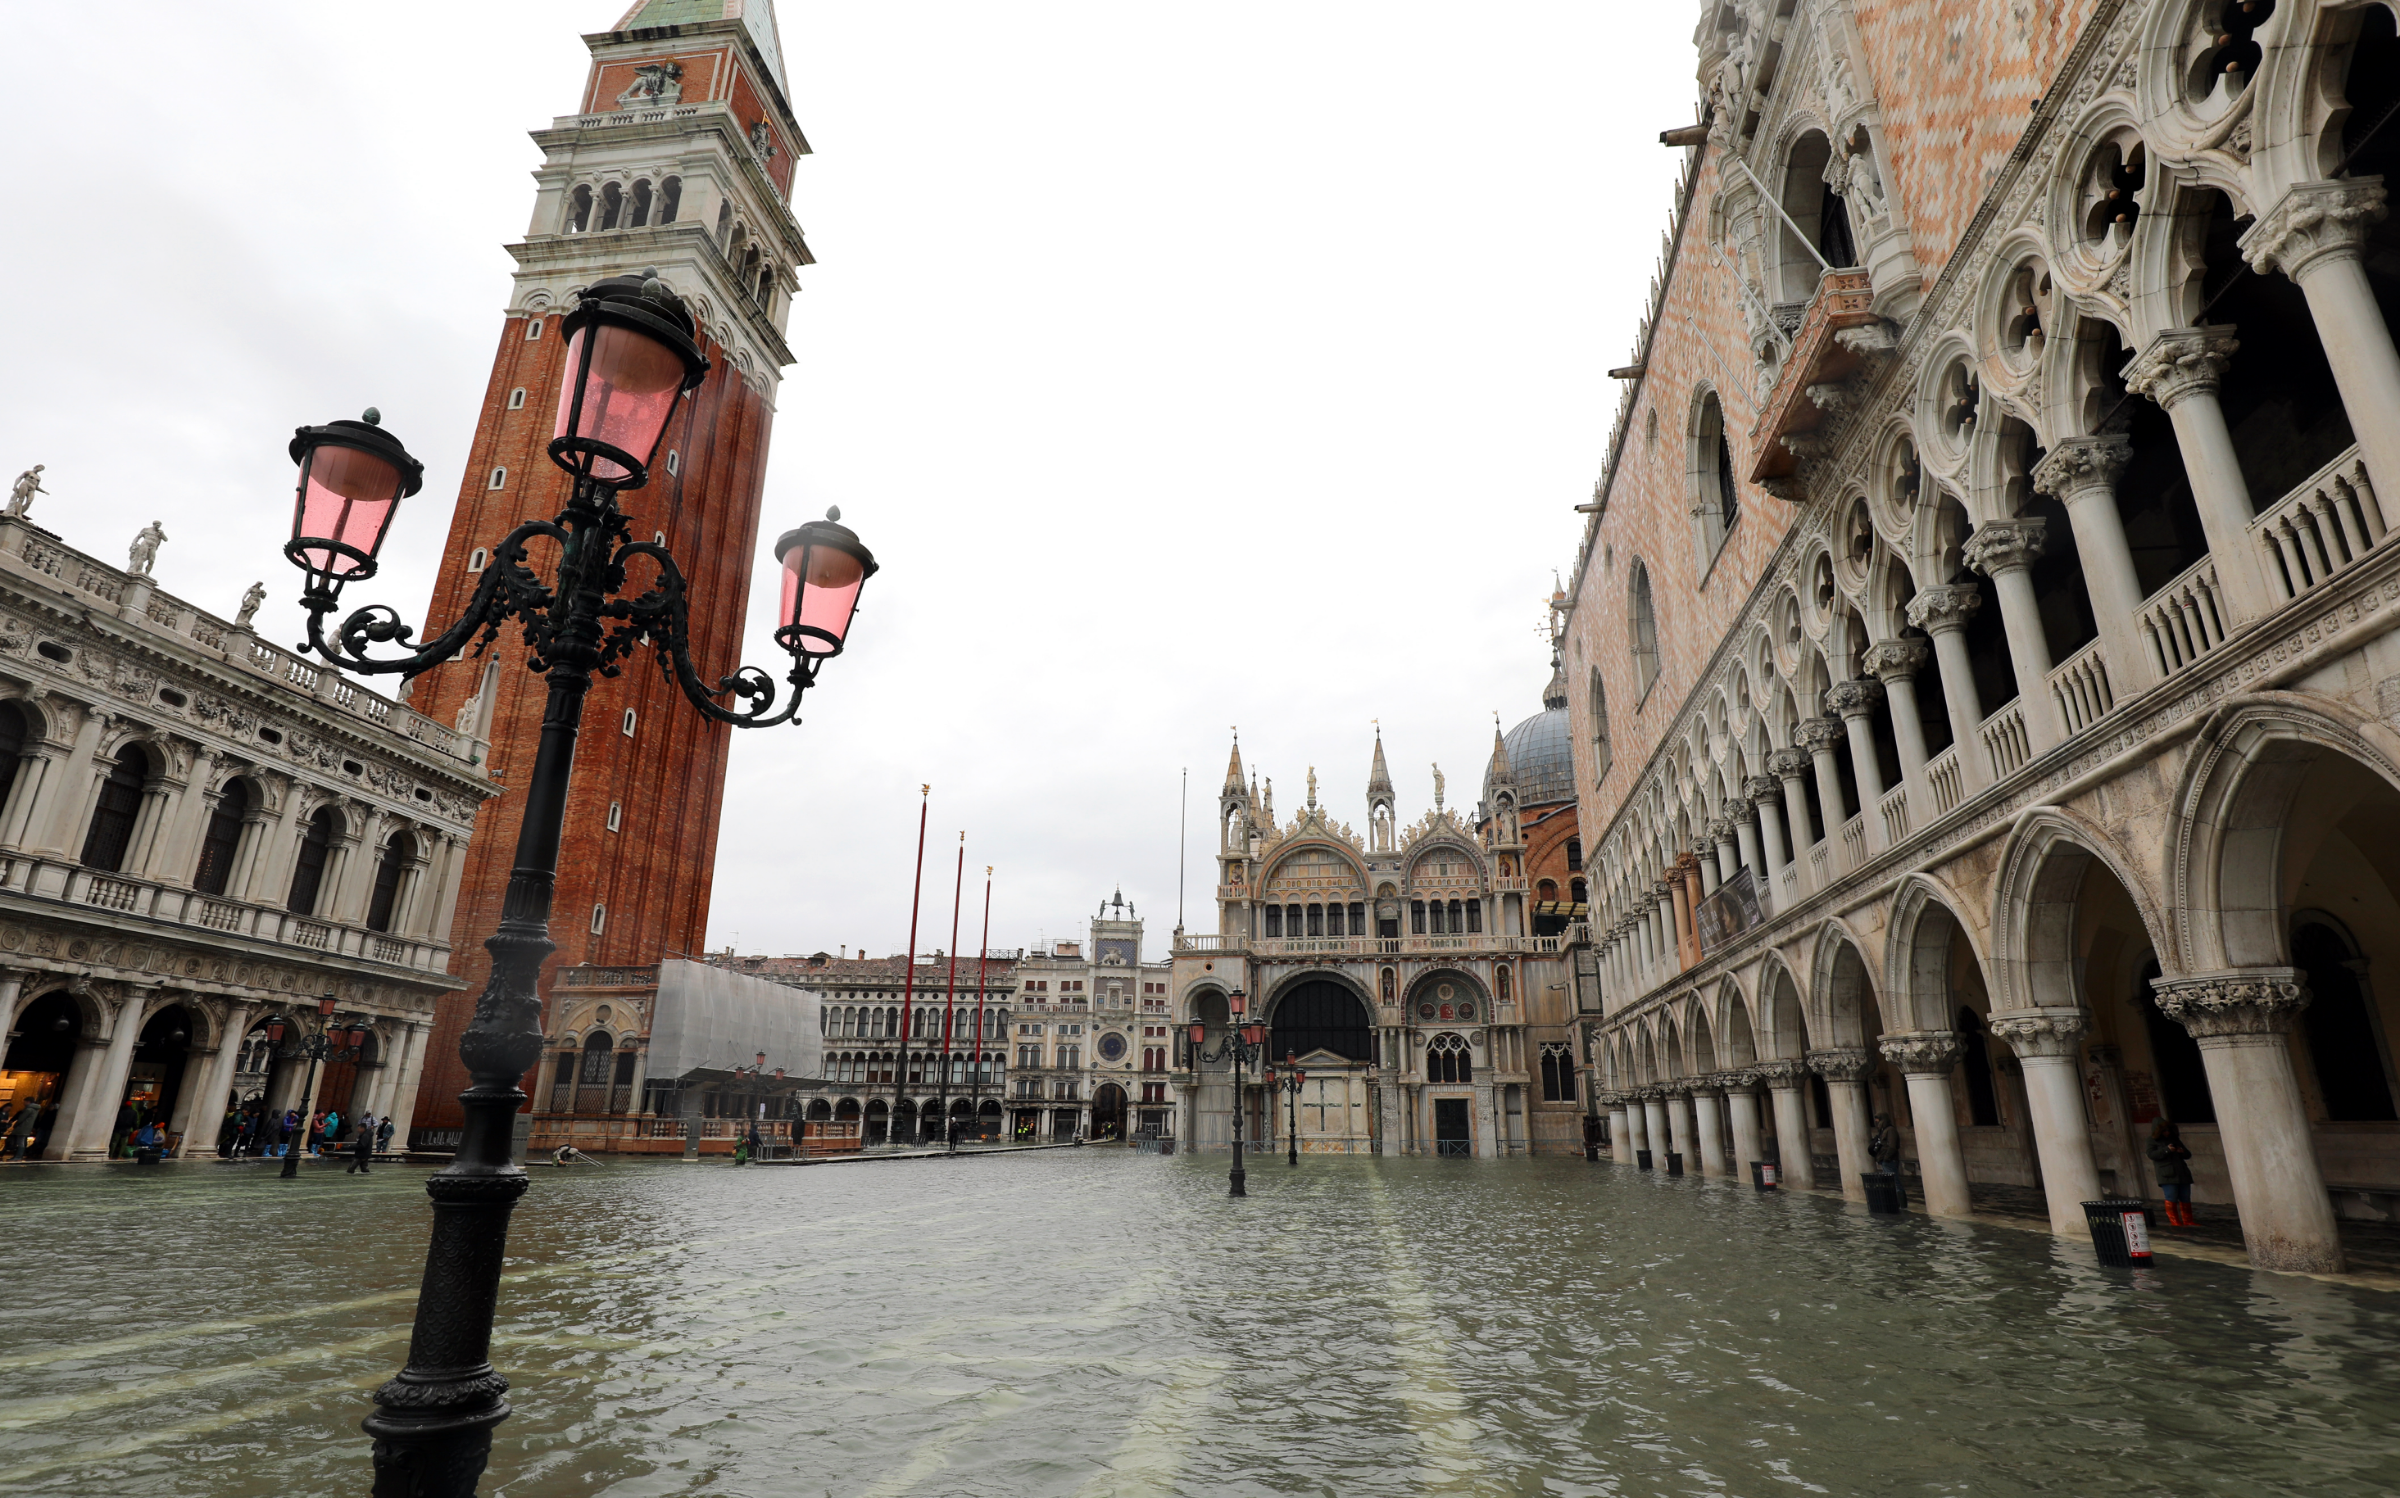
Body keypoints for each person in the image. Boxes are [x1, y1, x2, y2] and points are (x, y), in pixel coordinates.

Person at [2149, 1117, 2196, 1227]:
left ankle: (2188, 1220)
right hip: (2167, 1173)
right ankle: (2175, 1221)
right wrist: (2166, 1150)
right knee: (2171, 1196)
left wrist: (2181, 1151)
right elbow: (2151, 1154)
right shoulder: (2151, 1140)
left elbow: (2188, 1154)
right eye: (2164, 1131)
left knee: (2185, 1196)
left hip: (2181, 1171)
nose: (2167, 1133)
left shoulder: (2174, 1139)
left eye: (2168, 1130)